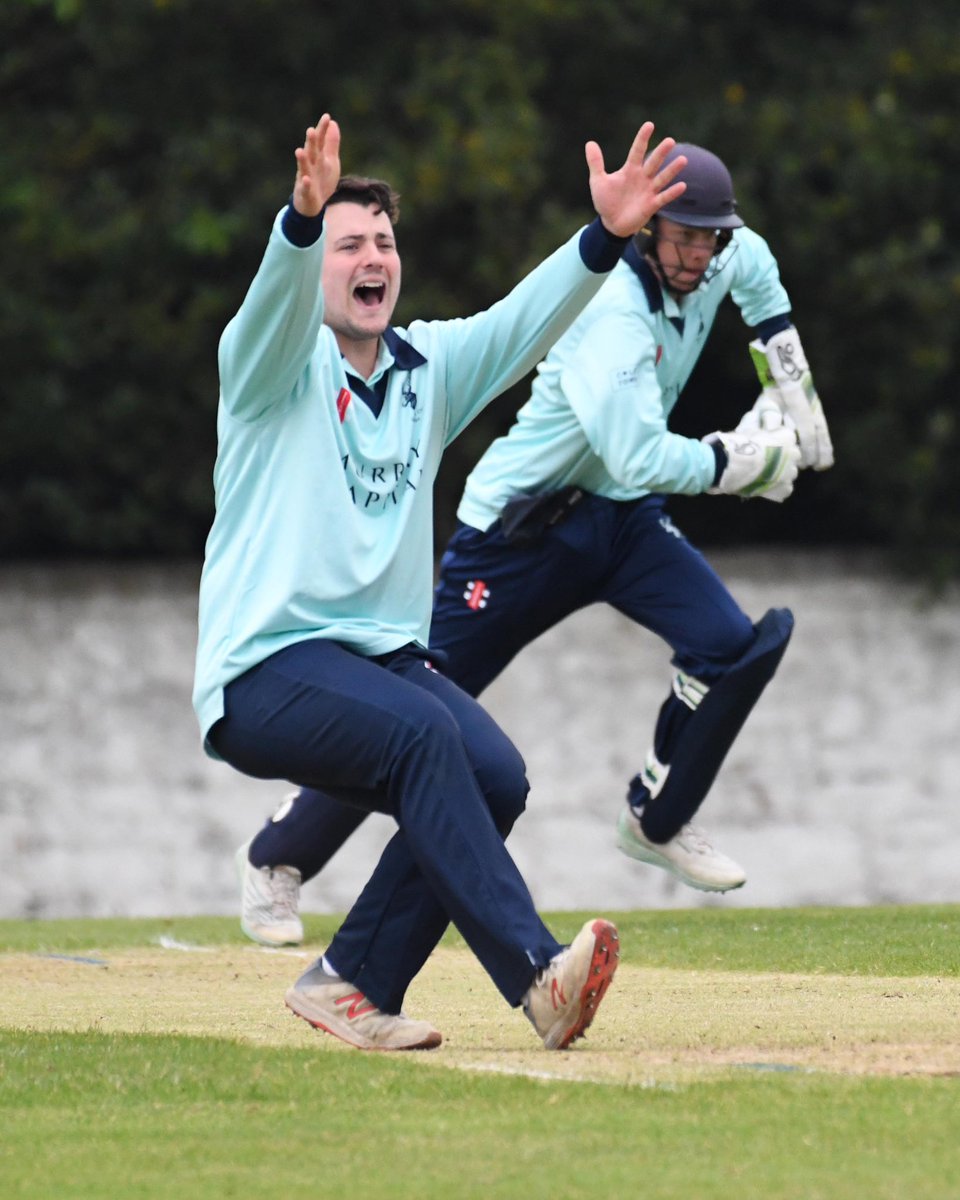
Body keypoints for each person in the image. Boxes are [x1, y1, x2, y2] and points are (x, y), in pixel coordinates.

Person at [236, 141, 828, 951]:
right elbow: (638, 454)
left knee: (730, 644)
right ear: (651, 231)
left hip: (620, 521)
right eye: (683, 236)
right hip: (518, 532)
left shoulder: (725, 254)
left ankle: (657, 815)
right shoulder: (611, 317)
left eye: (709, 237)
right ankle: (278, 856)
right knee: (408, 717)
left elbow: (761, 283)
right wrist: (743, 461)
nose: (699, 253)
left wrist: (794, 394)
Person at [196, 112, 692, 1050]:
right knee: (429, 735)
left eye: (382, 241)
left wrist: (607, 236)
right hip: (263, 668)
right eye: (349, 244)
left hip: (379, 663)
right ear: (318, 268)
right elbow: (268, 307)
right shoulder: (270, 371)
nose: (370, 256)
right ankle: (538, 977)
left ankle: (352, 979)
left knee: (495, 777)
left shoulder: (428, 369)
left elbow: (520, 321)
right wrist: (299, 225)